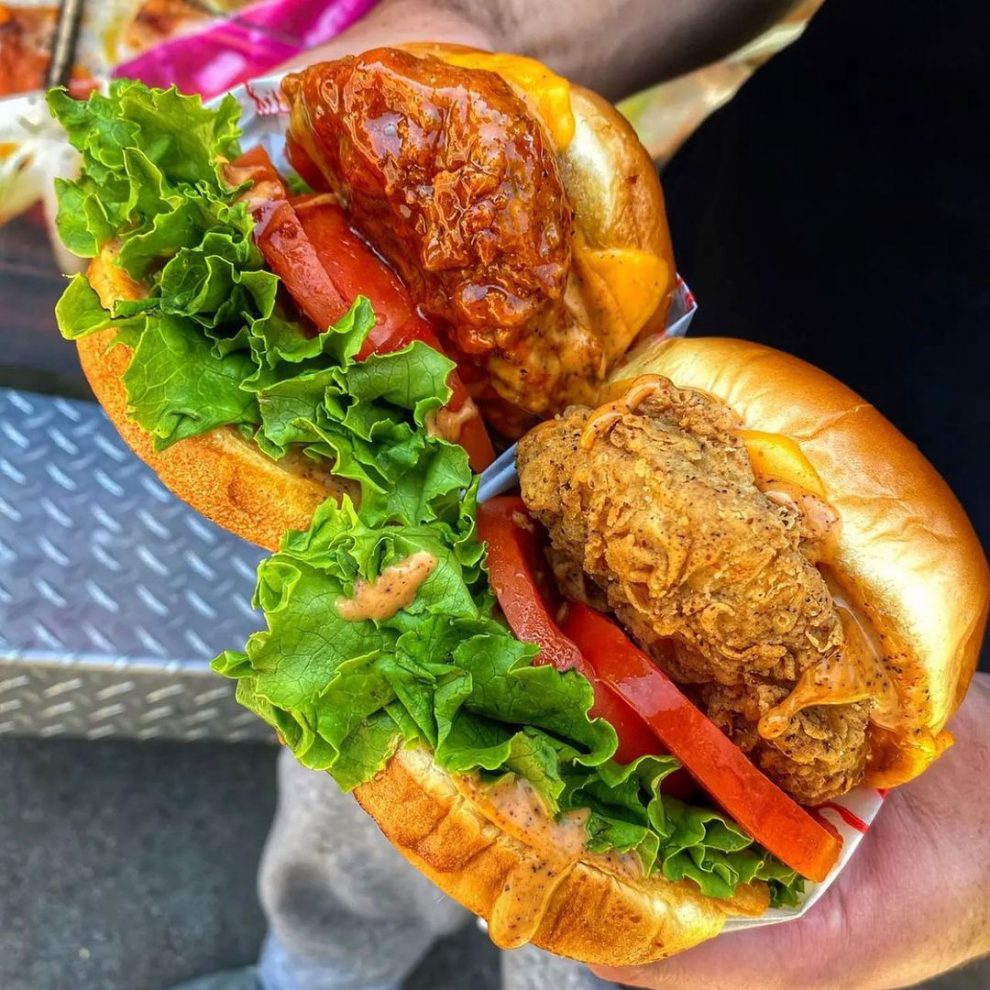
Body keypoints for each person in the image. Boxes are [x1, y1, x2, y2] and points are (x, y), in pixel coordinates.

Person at [174, 1, 990, 988]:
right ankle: (308, 970)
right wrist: (490, 19)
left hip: (947, 722)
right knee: (347, 766)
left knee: (593, 960)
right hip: (618, 353)